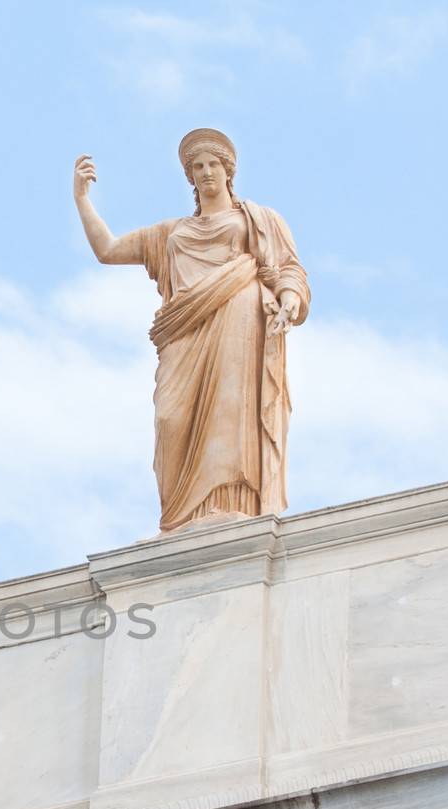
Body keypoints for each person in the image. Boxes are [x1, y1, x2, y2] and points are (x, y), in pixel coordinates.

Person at [73, 129, 309, 532]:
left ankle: (229, 504)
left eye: (213, 165)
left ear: (227, 170)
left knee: (230, 411)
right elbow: (108, 250)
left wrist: (289, 297)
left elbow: (288, 269)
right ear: (190, 177)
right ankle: (182, 519)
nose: (206, 173)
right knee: (170, 420)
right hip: (183, 333)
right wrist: (81, 199)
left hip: (238, 318)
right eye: (197, 167)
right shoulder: (170, 233)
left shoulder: (258, 220)